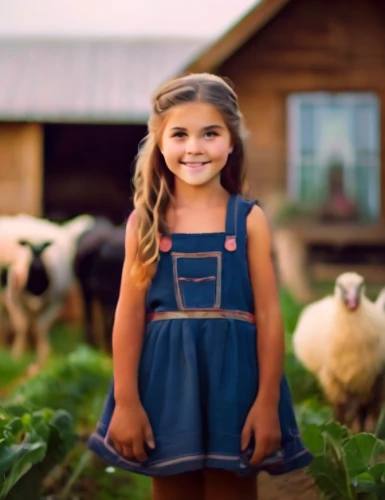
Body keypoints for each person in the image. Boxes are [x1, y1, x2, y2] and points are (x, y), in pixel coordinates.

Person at [88, 73, 312, 500]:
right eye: (180, 134)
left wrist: (266, 402)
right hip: (165, 390)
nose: (194, 147)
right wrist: (127, 401)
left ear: (231, 141)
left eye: (210, 133)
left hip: (237, 390)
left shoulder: (249, 221)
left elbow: (267, 314)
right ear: (159, 141)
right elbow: (130, 315)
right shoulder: (145, 223)